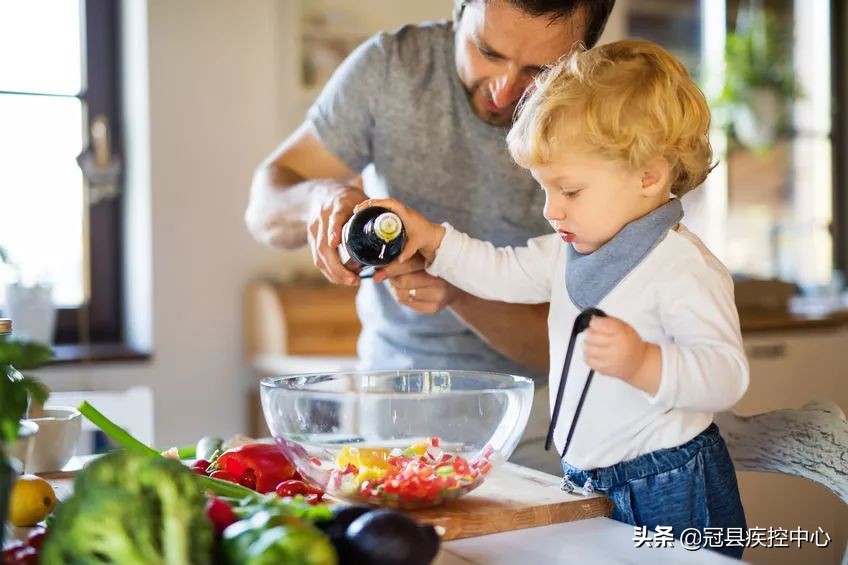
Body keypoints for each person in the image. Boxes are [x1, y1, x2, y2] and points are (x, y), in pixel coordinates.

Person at [356, 39, 750, 559]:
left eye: (570, 190)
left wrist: (645, 363)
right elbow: (499, 270)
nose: (550, 209)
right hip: (586, 478)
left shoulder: (682, 267)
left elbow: (727, 376)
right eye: (545, 189)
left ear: (649, 176)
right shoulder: (566, 252)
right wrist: (433, 239)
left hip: (669, 483)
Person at [245, 0, 616, 474]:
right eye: (488, 52)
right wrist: (320, 198)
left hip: (540, 420)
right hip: (387, 406)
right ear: (461, 10)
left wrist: (457, 289)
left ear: (584, 53)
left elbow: (568, 347)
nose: (504, 90)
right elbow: (263, 209)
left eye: (539, 71)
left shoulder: (601, 116)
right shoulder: (391, 68)